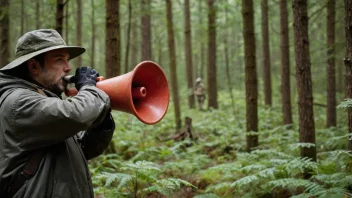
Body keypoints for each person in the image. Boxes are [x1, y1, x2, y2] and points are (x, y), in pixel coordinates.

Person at [0, 29, 115, 198]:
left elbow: (83, 148)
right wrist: (90, 89)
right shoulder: (19, 101)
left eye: (67, 60)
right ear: (34, 66)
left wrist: (102, 122)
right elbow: (75, 114)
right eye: (59, 59)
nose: (68, 68)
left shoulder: (45, 100)